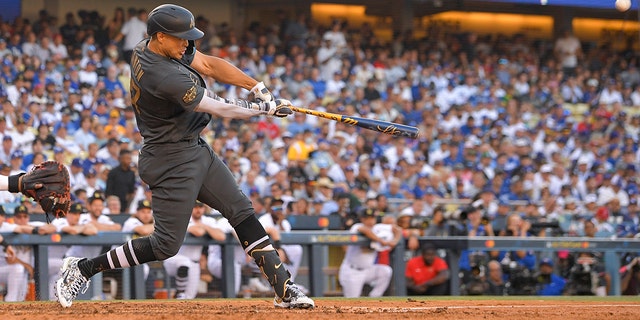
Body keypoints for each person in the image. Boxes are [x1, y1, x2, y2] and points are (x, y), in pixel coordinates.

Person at [55, 4, 313, 309]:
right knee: (165, 245)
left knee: (241, 211)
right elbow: (217, 106)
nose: (188, 44)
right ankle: (82, 268)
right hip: (169, 159)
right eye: (181, 38)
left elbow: (208, 65)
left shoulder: (155, 46)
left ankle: (284, 288)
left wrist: (257, 87)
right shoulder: (160, 73)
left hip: (194, 147)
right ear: (161, 37)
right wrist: (263, 109)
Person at [163, 201, 225, 299]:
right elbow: (198, 232)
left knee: (189, 297)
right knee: (184, 263)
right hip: (174, 258)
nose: (198, 210)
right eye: (195, 207)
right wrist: (206, 229)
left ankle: (179, 299)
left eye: (200, 207)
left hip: (194, 263)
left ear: (204, 208)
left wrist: (204, 226)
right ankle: (180, 292)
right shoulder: (183, 218)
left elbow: (221, 236)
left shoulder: (207, 221)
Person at [338, 207, 402, 298]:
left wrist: (394, 242)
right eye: (367, 218)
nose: (370, 221)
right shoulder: (356, 226)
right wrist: (380, 240)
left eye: (372, 218)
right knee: (352, 303)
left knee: (386, 271)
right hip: (352, 272)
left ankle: (374, 296)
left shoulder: (378, 227)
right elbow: (364, 230)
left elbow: (397, 229)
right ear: (362, 219)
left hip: (368, 270)